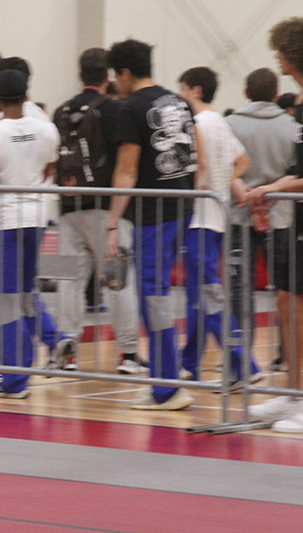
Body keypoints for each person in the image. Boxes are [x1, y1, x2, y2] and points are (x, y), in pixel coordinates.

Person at [0, 69, 75, 399]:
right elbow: (49, 170)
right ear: (27, 95)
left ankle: (16, 378)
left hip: (3, 224)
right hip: (36, 220)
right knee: (24, 293)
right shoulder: (48, 130)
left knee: (5, 301)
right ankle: (48, 345)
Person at [106, 39, 199, 410]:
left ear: (125, 73)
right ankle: (166, 378)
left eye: (117, 76)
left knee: (153, 293)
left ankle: (167, 386)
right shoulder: (179, 102)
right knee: (158, 292)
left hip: (153, 215)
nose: (117, 82)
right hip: (182, 206)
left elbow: (127, 170)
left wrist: (113, 221)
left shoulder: (131, 108)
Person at [54, 48, 142, 374]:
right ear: (107, 77)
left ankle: (67, 352)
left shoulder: (60, 110)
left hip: (66, 207)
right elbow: (124, 160)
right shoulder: (113, 109)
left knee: (68, 281)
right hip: (106, 209)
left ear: (79, 75)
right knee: (117, 281)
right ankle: (129, 355)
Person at [176, 67, 263, 388]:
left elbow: (199, 167)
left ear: (195, 90)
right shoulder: (220, 122)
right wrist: (220, 187)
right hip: (215, 219)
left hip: (199, 218)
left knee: (209, 296)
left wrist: (199, 188)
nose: (180, 96)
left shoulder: (198, 123)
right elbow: (242, 163)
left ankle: (245, 364)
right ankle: (188, 364)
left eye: (182, 89)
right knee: (198, 296)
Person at [244, 17, 303, 431]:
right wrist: (276, 189)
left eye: (279, 50)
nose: (276, 57)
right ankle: (293, 393)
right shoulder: (298, 105)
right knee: (286, 301)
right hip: (295, 217)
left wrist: (274, 187)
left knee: (299, 306)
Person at [226, 68, 298, 373]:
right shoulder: (293, 125)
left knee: (238, 290)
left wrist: (245, 192)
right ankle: (286, 356)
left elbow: (223, 165)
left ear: (245, 93)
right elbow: (297, 171)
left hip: (238, 212)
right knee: (287, 290)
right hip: (281, 214)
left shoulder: (228, 124)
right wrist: (269, 193)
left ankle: (242, 361)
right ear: (275, 93)